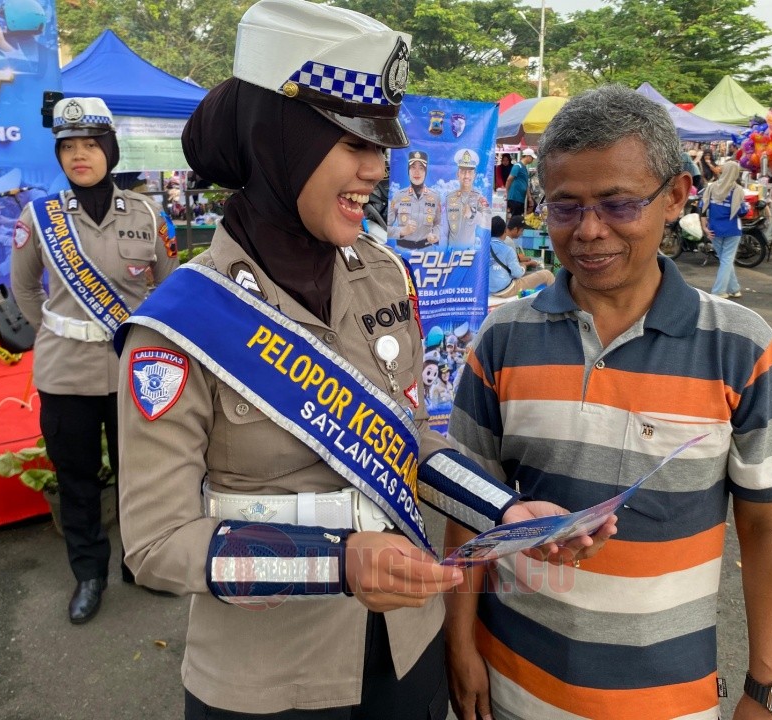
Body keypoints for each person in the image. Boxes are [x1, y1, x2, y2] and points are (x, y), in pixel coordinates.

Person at [113, 2, 612, 718]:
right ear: (277, 140)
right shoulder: (181, 324)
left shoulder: (383, 274)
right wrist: (339, 562)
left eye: (382, 144)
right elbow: (157, 544)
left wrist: (508, 511)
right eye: (353, 142)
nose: (378, 168)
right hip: (269, 682)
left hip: (408, 650)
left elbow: (406, 441)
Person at [446, 84, 772, 720]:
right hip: (513, 682)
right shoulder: (502, 339)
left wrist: (769, 689)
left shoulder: (740, 347)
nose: (589, 231)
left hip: (667, 696)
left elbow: (767, 528)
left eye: (618, 204)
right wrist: (460, 641)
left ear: (676, 196)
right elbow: (468, 507)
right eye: (565, 206)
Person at [10, 96, 179, 625]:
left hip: (133, 370)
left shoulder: (148, 214)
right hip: (65, 372)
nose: (79, 155)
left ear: (110, 148)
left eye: (90, 144)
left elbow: (167, 285)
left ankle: (139, 561)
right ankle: (89, 574)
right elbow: (24, 290)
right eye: (68, 147)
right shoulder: (40, 218)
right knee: (77, 478)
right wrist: (60, 330)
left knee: (140, 475)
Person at [700, 159, 748, 299]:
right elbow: (742, 212)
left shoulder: (711, 188)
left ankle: (734, 289)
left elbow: (703, 208)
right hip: (732, 229)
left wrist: (704, 227)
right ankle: (718, 291)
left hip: (714, 229)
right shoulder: (738, 190)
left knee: (725, 260)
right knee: (727, 260)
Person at [487, 215, 554, 299]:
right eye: (522, 230)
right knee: (547, 274)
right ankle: (556, 301)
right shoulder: (507, 249)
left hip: (489, 290)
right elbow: (517, 274)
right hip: (507, 290)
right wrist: (523, 267)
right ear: (504, 231)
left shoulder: (483, 248)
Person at [389, 149, 442, 249]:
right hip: (402, 250)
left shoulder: (435, 196)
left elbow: (439, 224)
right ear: (408, 171)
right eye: (413, 167)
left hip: (427, 250)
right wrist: (402, 231)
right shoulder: (398, 196)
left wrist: (435, 235)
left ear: (425, 172)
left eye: (421, 168)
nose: (417, 172)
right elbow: (385, 227)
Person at [444, 148, 490, 249]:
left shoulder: (479, 197)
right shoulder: (449, 197)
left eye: (470, 172)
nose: (466, 176)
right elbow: (444, 227)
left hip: (470, 252)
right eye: (463, 172)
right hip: (450, 251)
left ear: (474, 175)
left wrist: (472, 214)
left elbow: (489, 222)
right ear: (458, 174)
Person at [505, 148, 534, 218]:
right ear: (527, 156)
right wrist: (506, 192)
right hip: (515, 197)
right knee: (515, 218)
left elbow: (525, 184)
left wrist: (529, 198)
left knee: (518, 218)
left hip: (520, 198)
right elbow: (509, 179)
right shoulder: (518, 166)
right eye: (532, 157)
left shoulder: (524, 168)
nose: (533, 159)